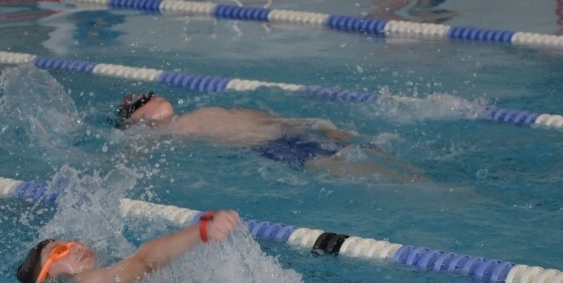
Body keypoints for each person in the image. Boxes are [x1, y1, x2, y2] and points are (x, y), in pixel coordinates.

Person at [114, 91, 427, 182]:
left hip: (289, 132)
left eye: (151, 95)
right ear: (136, 120)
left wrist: (315, 124)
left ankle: (420, 176)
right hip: (273, 147)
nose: (152, 98)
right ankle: (411, 184)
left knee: (362, 148)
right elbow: (130, 158)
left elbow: (267, 118)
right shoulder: (156, 133)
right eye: (143, 102)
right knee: (347, 166)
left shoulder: (194, 114)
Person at [16, 209, 241, 283]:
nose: (75, 246)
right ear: (44, 280)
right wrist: (203, 231)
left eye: (71, 242)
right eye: (60, 250)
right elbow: (143, 262)